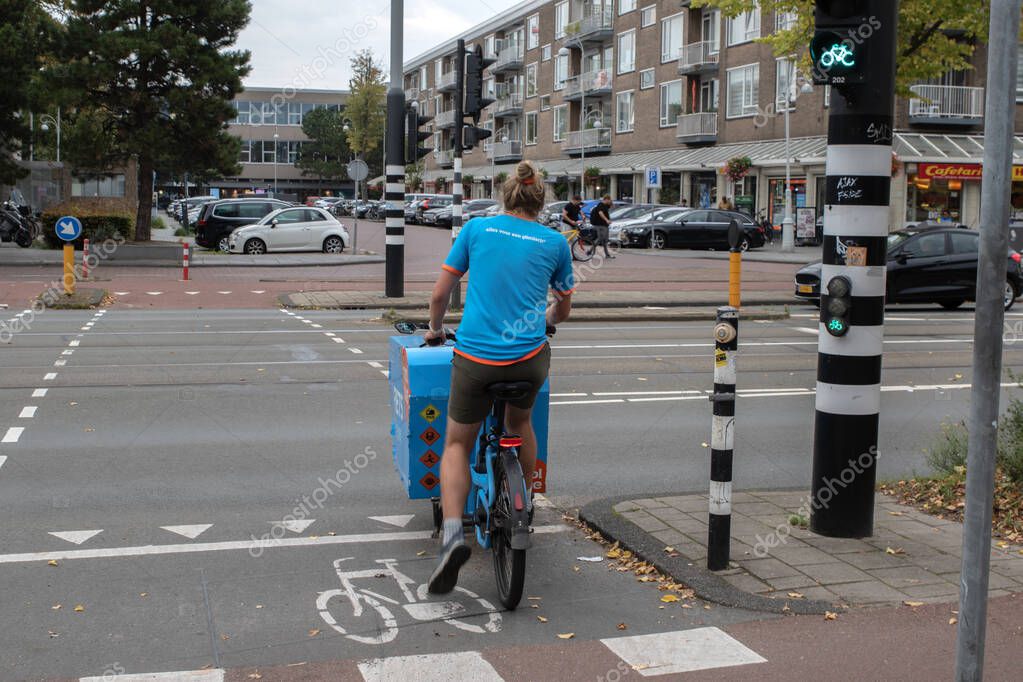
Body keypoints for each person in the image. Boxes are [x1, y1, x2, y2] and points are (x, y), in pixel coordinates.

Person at [424, 160, 575, 595]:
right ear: (540, 202)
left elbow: (440, 294)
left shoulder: (476, 230)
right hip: (528, 358)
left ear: (505, 197)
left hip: (476, 358)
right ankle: (522, 506)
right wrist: (546, 319)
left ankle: (453, 535)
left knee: (457, 443)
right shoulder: (555, 242)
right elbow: (563, 308)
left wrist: (435, 329)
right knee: (519, 422)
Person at [589, 194, 615, 258]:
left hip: (604, 225)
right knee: (600, 239)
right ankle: (590, 251)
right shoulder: (600, 205)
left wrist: (611, 202)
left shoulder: (606, 205)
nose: (610, 201)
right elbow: (600, 213)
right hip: (600, 225)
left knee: (604, 240)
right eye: (609, 200)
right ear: (606, 199)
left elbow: (612, 206)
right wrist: (607, 220)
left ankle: (607, 254)